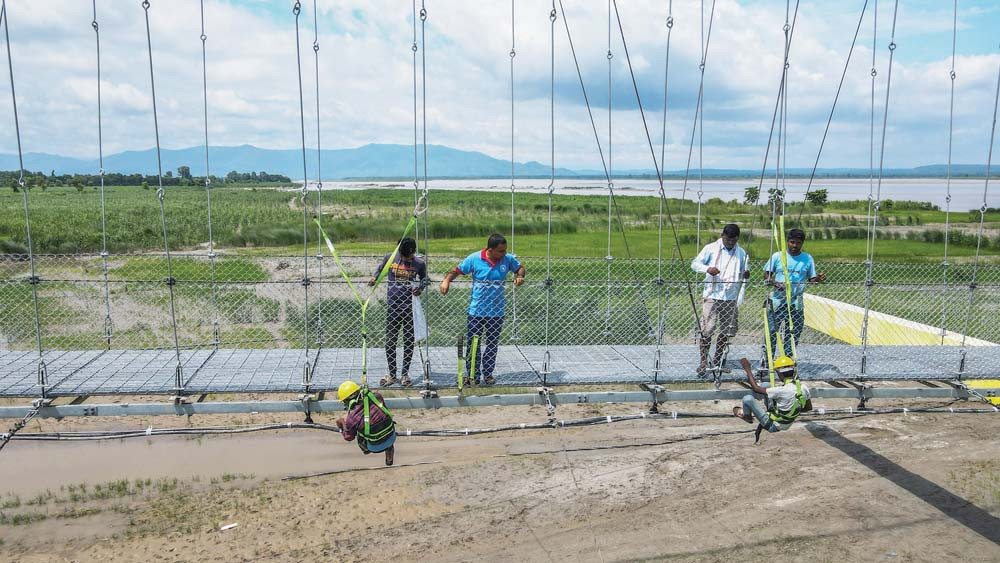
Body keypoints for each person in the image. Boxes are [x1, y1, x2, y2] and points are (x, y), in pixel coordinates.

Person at [439, 233, 525, 385]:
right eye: (501, 251)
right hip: (476, 311)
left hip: (497, 312)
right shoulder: (474, 259)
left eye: (505, 250)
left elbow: (520, 268)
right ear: (490, 250)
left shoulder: (508, 259)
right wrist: (446, 281)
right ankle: (472, 375)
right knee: (474, 344)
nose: (504, 253)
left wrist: (520, 276)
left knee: (492, 344)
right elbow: (457, 271)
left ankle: (488, 374)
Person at [691, 223, 749, 376]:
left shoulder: (742, 253)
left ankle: (717, 360)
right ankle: (703, 362)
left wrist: (739, 296)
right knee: (707, 330)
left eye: (734, 241)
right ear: (723, 236)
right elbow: (695, 264)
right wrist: (707, 269)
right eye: (728, 240)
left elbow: (744, 278)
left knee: (727, 330)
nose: (730, 243)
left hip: (731, 297)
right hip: (712, 294)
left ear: (737, 239)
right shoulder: (710, 248)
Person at [369, 237, 428, 387]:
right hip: (393, 307)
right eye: (402, 256)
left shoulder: (419, 263)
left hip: (409, 309)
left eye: (407, 257)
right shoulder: (390, 257)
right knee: (390, 342)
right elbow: (380, 268)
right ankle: (392, 374)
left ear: (413, 252)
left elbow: (425, 279)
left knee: (408, 341)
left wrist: (420, 288)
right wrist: (374, 277)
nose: (404, 259)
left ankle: (405, 375)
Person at [763, 228, 825, 356]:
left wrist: (817, 279)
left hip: (795, 302)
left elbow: (811, 278)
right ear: (787, 242)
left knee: (793, 332)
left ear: (802, 243)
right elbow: (766, 274)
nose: (794, 246)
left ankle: (788, 360)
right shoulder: (777, 256)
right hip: (777, 301)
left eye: (798, 243)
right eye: (792, 242)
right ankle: (767, 360)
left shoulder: (807, 259)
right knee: (772, 331)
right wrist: (774, 283)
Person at [732, 356, 812, 442]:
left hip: (772, 425)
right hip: (786, 421)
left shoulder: (781, 391)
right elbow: (808, 408)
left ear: (780, 374)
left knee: (747, 399)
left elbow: (756, 388)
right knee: (766, 385)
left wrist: (747, 368)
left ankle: (747, 416)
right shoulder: (803, 388)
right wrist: (791, 410)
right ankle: (760, 406)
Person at [335, 381, 396, 466]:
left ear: (347, 401)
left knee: (359, 432)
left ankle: (366, 450)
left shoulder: (352, 418)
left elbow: (348, 437)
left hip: (374, 447)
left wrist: (342, 424)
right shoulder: (377, 397)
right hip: (391, 437)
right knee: (382, 424)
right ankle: (389, 457)